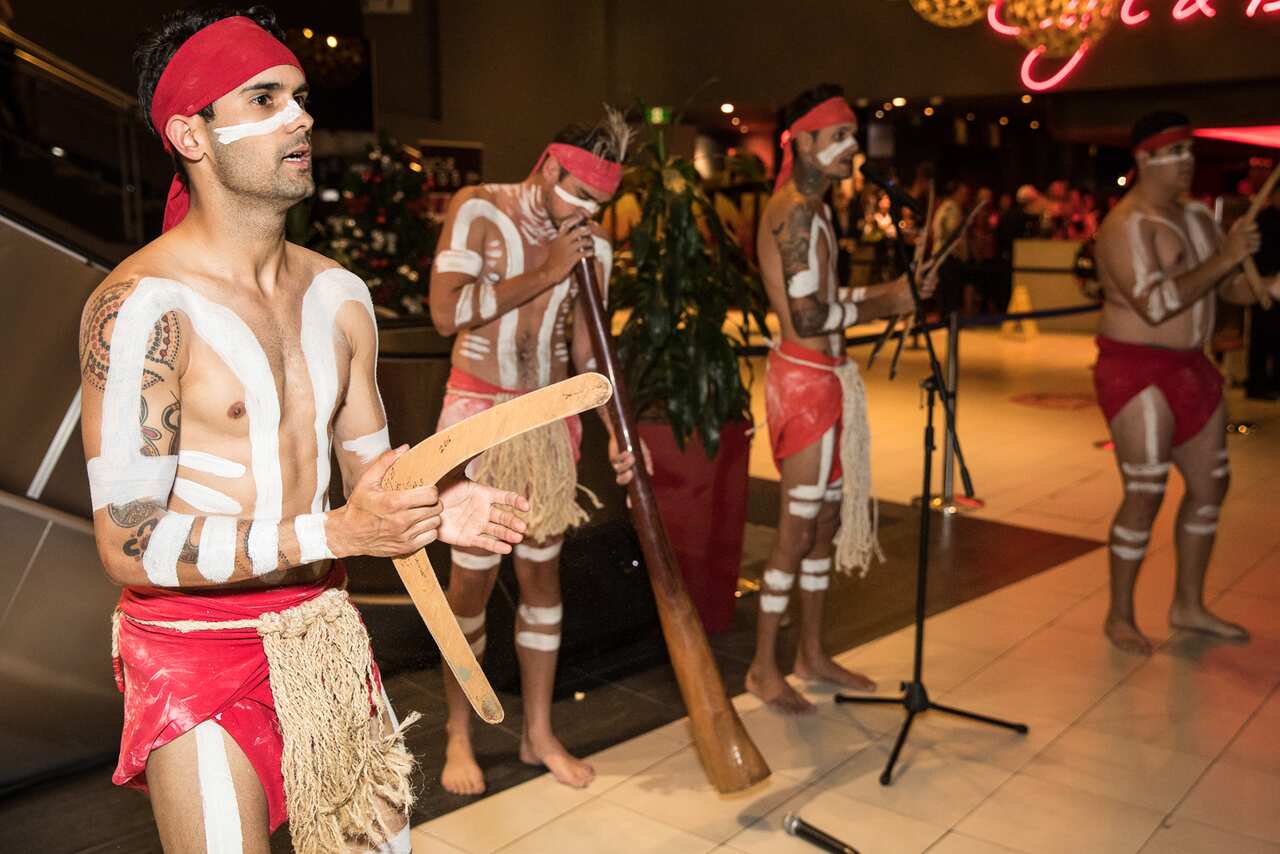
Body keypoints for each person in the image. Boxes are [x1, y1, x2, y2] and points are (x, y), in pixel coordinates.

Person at [82, 10, 530, 852]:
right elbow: (129, 546)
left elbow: (372, 479)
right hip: (194, 650)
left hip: (322, 627)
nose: (300, 118)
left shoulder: (339, 296)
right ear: (190, 134)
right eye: (264, 98)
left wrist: (438, 505)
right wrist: (338, 531)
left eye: (299, 97)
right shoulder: (142, 308)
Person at [427, 111, 643, 794]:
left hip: (549, 422)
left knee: (542, 578)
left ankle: (538, 733)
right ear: (550, 167)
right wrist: (549, 269)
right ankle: (458, 731)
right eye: (579, 195)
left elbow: (587, 352)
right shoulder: (478, 209)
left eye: (599, 205)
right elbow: (444, 313)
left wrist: (617, 429)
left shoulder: (592, 245)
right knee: (471, 582)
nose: (587, 214)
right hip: (478, 418)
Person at [747, 83, 935, 713]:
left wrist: (892, 293)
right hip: (804, 383)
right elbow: (806, 318)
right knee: (797, 529)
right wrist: (888, 301)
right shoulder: (795, 212)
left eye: (853, 135)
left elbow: (827, 300)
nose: (852, 148)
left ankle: (810, 654)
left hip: (824, 378)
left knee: (823, 525)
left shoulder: (817, 210)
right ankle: (762, 668)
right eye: (838, 136)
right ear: (802, 142)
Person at [1092, 110, 1280, 655]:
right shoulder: (1125, 225)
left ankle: (1189, 605)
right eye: (1174, 152)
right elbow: (1155, 306)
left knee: (1210, 485)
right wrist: (1226, 258)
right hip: (1136, 368)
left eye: (1190, 151)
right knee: (1145, 490)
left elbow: (1228, 289)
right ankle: (1119, 615)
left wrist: (1267, 283)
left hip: (1192, 366)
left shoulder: (1197, 216)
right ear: (1144, 158)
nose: (1187, 162)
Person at [1246, 181, 1280, 399]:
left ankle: (1275, 382)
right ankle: (1257, 384)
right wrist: (1260, 282)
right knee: (1261, 337)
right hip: (1262, 284)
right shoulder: (1262, 219)